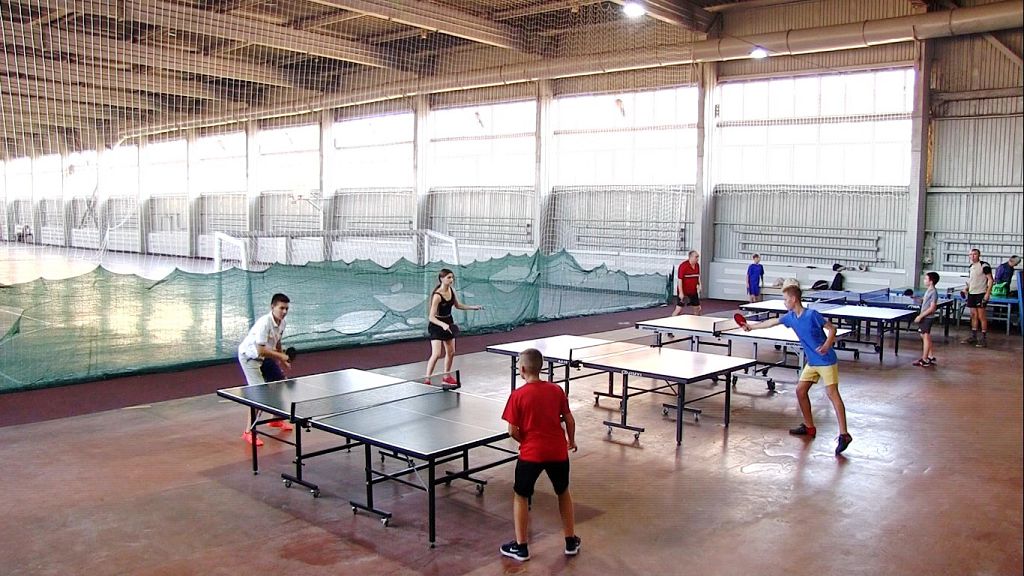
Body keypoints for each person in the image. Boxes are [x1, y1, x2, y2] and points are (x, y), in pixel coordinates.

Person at [742, 285, 853, 456]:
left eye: (786, 299)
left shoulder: (812, 315)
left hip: (826, 360)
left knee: (832, 394)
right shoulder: (791, 317)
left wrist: (826, 344)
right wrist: (751, 327)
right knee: (801, 391)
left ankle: (844, 435)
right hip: (812, 362)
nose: (784, 302)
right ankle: (809, 427)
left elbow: (832, 329)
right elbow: (772, 322)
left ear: (793, 299)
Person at [499, 348, 580, 562]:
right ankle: (570, 541)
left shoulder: (517, 395)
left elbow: (512, 431)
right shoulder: (556, 390)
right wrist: (571, 441)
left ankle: (521, 548)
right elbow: (569, 420)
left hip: (531, 454)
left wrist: (525, 442)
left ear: (522, 369)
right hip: (557, 451)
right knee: (563, 492)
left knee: (521, 496)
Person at [237, 293, 293, 446]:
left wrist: (282, 358)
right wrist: (281, 356)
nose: (284, 311)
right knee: (259, 395)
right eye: (281, 308)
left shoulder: (282, 323)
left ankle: (275, 420)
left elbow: (277, 341)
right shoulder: (264, 323)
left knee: (280, 384)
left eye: (286, 309)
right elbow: (260, 350)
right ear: (272, 307)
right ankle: (248, 432)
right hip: (250, 357)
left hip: (265, 356)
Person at [426, 268, 483, 384]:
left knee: (451, 352)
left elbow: (458, 305)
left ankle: (446, 376)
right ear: (441, 279)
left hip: (448, 322)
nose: (451, 280)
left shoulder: (452, 290)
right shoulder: (437, 296)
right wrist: (442, 325)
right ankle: (427, 378)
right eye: (449, 277)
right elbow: (431, 317)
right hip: (436, 324)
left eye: (452, 277)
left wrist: (473, 307)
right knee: (436, 354)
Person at [961, 248, 993, 348]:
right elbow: (971, 281)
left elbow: (990, 280)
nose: (972, 256)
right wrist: (966, 288)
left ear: (979, 255)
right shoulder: (971, 267)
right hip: (972, 294)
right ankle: (973, 336)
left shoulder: (984, 265)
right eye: (970, 254)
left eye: (974, 254)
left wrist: (987, 294)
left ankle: (983, 338)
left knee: (981, 316)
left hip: (981, 293)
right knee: (973, 315)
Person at [913, 272, 940, 367]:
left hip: (927, 317)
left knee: (925, 337)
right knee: (924, 336)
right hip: (925, 317)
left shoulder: (933, 292)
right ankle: (930, 356)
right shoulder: (929, 290)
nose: (924, 280)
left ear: (931, 281)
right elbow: (925, 301)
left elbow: (932, 308)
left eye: (926, 279)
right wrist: (916, 298)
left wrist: (920, 316)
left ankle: (924, 359)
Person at [671, 250, 702, 316]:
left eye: (698, 257)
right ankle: (671, 320)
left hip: (693, 291)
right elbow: (680, 280)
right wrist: (681, 293)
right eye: (696, 257)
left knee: (697, 308)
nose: (697, 259)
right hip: (684, 291)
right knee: (679, 309)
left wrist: (699, 285)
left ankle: (696, 321)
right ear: (691, 257)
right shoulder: (683, 266)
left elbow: (697, 276)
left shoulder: (697, 266)